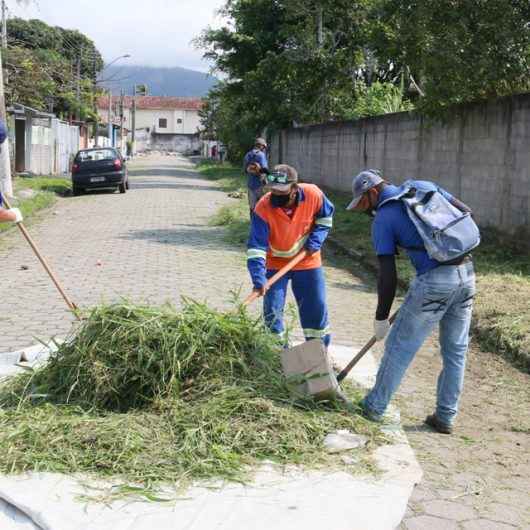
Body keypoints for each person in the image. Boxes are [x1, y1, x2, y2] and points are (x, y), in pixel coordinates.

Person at [346, 169, 476, 434]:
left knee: (398, 346)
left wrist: (381, 317)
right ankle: (445, 416)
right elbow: (466, 211)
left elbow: (387, 275)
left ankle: (374, 407)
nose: (364, 209)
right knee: (455, 350)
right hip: (467, 275)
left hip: (434, 283)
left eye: (363, 202)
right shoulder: (423, 185)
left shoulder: (384, 217)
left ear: (373, 192)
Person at [247, 164, 334, 348]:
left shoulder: (313, 194)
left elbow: (325, 218)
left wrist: (316, 241)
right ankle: (278, 355)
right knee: (273, 310)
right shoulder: (263, 207)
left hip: (307, 260)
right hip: (275, 264)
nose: (275, 196)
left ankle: (318, 352)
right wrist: (258, 277)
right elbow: (256, 247)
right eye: (273, 191)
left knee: (315, 307)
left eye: (281, 192)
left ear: (294, 188)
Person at [243, 137, 269, 212]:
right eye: (263, 147)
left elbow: (245, 170)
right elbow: (264, 170)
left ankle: (253, 222)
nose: (264, 149)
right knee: (262, 207)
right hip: (260, 184)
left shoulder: (248, 154)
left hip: (250, 184)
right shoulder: (261, 155)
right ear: (261, 146)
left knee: (252, 207)